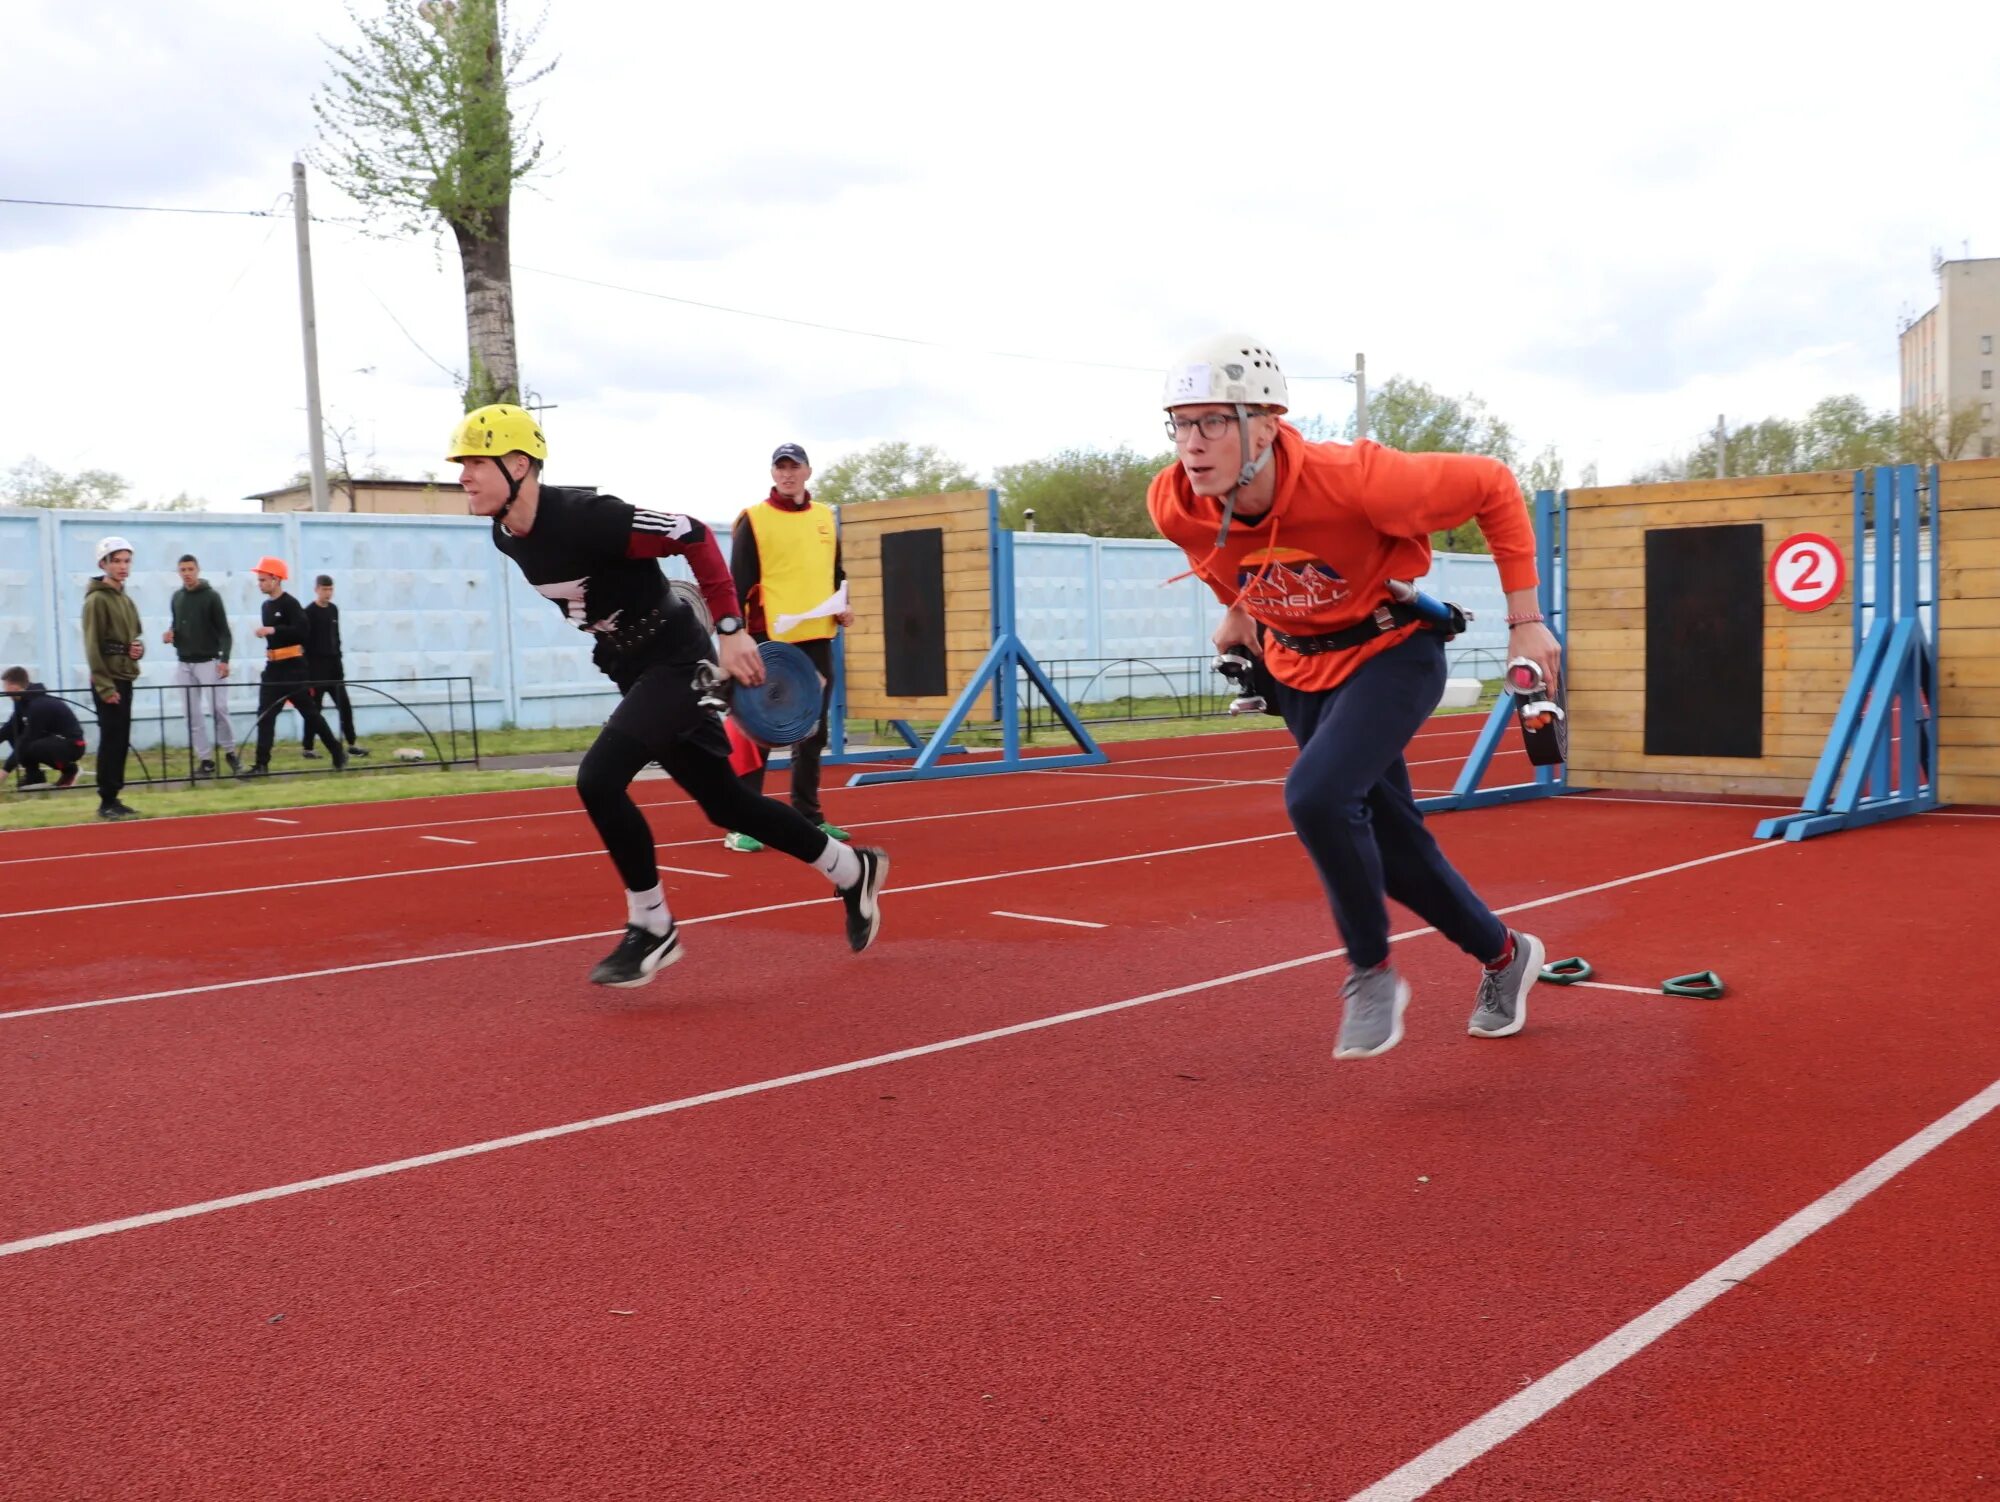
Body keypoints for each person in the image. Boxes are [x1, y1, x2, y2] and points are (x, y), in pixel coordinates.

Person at [1147, 334, 1560, 1059]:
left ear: (1266, 425)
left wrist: (1527, 623)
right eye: (1181, 423)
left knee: (1316, 796)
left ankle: (1369, 971)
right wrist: (1239, 612)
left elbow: (1495, 485)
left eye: (1214, 421)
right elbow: (1214, 555)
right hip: (1298, 669)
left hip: (1392, 651)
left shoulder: (1362, 481)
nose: (1193, 442)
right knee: (1394, 850)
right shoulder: (1175, 501)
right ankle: (1505, 955)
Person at [448, 403, 888, 987]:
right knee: (726, 805)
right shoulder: (506, 534)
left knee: (598, 779)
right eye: (461, 465)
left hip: (677, 658)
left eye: (474, 463)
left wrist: (730, 632)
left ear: (519, 464)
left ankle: (653, 925)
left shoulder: (589, 516)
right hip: (631, 665)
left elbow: (694, 534)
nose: (462, 476)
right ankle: (850, 869)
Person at [721, 441, 855, 852]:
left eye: (794, 466)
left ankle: (808, 815)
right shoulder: (754, 520)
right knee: (755, 729)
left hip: (817, 636)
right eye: (780, 468)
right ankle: (743, 821)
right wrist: (736, 635)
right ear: (773, 474)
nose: (787, 474)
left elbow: (835, 573)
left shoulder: (825, 518)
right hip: (768, 638)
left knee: (812, 729)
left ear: (807, 472)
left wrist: (843, 606)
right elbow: (736, 583)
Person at [242, 556, 345, 776]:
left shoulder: (290, 603)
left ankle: (337, 751)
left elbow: (302, 630)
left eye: (263, 580)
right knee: (265, 715)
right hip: (273, 668)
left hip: (293, 668)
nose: (259, 584)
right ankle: (261, 765)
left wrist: (274, 630)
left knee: (310, 713)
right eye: (258, 580)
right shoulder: (266, 606)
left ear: (276, 579)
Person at [80, 535, 144, 819]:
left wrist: (137, 650)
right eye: (116, 561)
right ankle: (106, 800)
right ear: (103, 564)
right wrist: (105, 687)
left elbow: (134, 638)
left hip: (124, 676)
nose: (122, 566)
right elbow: (93, 646)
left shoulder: (126, 600)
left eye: (126, 561)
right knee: (111, 739)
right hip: (108, 680)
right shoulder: (96, 601)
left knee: (121, 739)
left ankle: (115, 797)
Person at [161, 553, 239, 778]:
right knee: (191, 713)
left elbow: (225, 632)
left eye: (190, 569)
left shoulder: (211, 597)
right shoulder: (177, 598)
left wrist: (224, 660)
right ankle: (205, 759)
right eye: (183, 570)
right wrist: (170, 635)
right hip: (185, 662)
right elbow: (177, 625)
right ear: (179, 573)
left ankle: (230, 751)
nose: (187, 574)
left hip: (209, 661)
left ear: (198, 570)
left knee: (218, 709)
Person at [300, 574, 368, 761]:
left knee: (344, 706)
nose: (327, 593)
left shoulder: (333, 610)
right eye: (324, 589)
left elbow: (335, 638)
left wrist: (339, 663)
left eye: (330, 589)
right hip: (316, 669)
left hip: (334, 668)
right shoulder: (309, 612)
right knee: (314, 709)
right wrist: (307, 673)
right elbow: (304, 642)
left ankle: (352, 743)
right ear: (316, 590)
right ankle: (308, 747)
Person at [2, 666, 87, 791]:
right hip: (52, 741)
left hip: (73, 745)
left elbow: (27, 738)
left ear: (14, 686)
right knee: (14, 733)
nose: (4, 690)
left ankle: (70, 770)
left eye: (5, 686)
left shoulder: (39, 705)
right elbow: (9, 728)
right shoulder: (21, 703)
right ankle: (34, 776)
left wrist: (5, 770)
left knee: (31, 745)